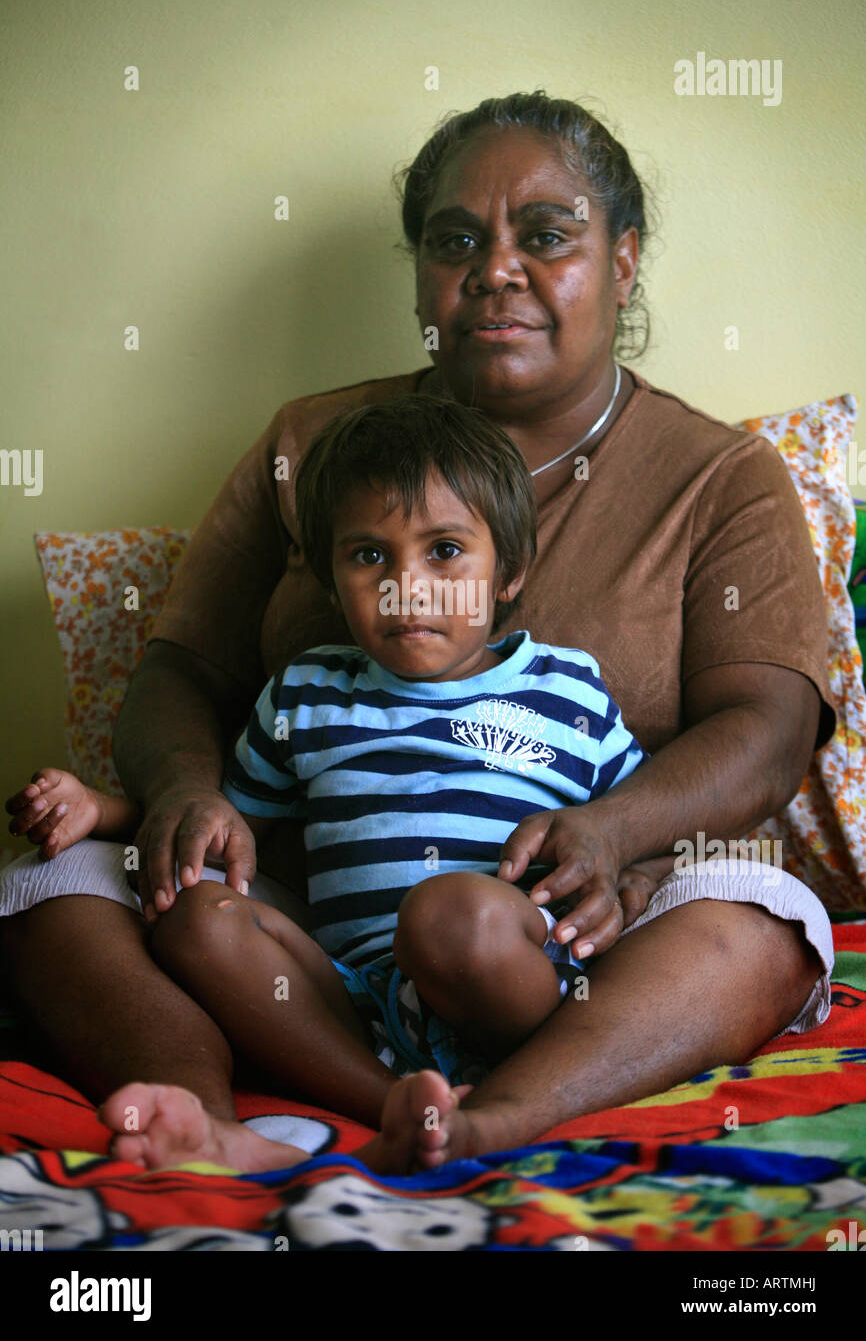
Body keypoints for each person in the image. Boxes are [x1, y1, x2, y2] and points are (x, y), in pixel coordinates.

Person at [1, 89, 835, 1177]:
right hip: (312, 927)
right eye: (454, 241)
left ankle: (497, 1115)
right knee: (46, 888)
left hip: (579, 930)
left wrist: (612, 833)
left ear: (622, 264)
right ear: (420, 277)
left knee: (762, 909)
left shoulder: (717, 477)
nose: (493, 268)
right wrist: (179, 798)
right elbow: (179, 670)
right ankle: (199, 1115)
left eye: (545, 235)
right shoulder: (311, 443)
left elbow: (768, 726)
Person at [7, 394, 655, 1161]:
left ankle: (501, 1094)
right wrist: (103, 811)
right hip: (352, 1002)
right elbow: (222, 835)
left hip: (510, 984)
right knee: (196, 915)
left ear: (508, 571)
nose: (405, 585)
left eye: (444, 551)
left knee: (454, 917)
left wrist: (639, 879)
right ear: (329, 577)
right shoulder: (306, 693)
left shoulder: (568, 691)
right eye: (369, 555)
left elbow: (636, 830)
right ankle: (389, 1108)